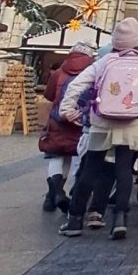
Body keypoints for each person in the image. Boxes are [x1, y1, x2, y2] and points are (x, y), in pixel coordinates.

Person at [59, 19, 138, 239]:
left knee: (91, 168)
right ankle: (120, 219)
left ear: (115, 42)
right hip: (132, 122)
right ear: (137, 41)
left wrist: (67, 110)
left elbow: (76, 85)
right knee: (124, 170)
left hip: (102, 121)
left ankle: (75, 220)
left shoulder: (105, 61)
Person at [37, 39, 96, 211]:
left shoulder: (59, 72)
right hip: (80, 121)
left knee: (56, 156)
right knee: (75, 157)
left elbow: (49, 96)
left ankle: (53, 195)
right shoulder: (92, 71)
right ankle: (67, 195)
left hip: (58, 120)